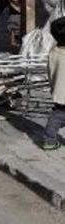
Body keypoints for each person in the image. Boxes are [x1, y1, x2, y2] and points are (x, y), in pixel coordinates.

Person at [42, 16, 65, 150]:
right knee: (58, 117)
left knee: (57, 116)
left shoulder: (53, 53)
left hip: (59, 92)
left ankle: (49, 140)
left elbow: (50, 72)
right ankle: (49, 140)